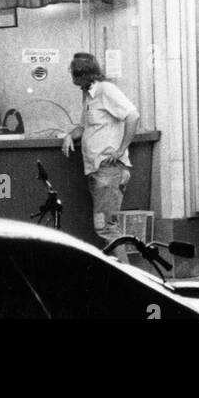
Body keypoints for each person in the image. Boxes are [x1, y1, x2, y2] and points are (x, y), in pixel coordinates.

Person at [61, 52, 139, 256]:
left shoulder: (106, 90)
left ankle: (127, 279)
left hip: (108, 170)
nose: (73, 78)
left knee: (107, 228)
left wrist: (121, 149)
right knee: (105, 227)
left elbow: (132, 115)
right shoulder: (89, 94)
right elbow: (85, 126)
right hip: (97, 170)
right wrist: (71, 135)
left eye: (76, 73)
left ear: (84, 74)